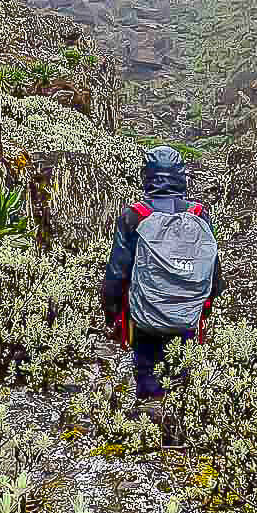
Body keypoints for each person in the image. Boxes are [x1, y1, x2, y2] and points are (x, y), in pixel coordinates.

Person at [100, 146, 225, 401]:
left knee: (147, 378)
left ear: (146, 176)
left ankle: (147, 424)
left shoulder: (134, 216)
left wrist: (112, 314)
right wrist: (203, 307)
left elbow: (116, 273)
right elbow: (213, 272)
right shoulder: (198, 214)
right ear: (182, 177)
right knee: (184, 383)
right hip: (188, 319)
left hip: (146, 320)